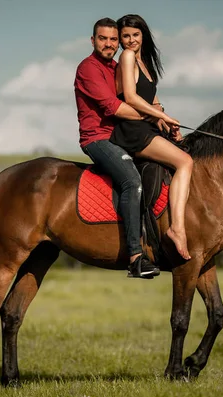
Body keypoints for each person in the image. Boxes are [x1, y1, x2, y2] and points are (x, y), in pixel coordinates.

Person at [74, 17, 160, 278]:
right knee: (131, 182)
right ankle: (135, 256)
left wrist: (160, 114)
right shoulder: (88, 69)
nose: (109, 44)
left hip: (120, 136)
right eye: (103, 38)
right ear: (93, 40)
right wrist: (154, 116)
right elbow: (114, 107)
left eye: (113, 39)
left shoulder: (116, 66)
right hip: (98, 140)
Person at [110, 14, 193, 260]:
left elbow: (153, 102)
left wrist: (167, 122)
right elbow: (132, 98)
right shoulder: (126, 57)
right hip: (132, 132)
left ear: (143, 35)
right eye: (125, 36)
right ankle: (176, 229)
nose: (131, 40)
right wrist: (161, 118)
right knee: (185, 162)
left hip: (147, 127)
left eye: (135, 35)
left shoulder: (142, 60)